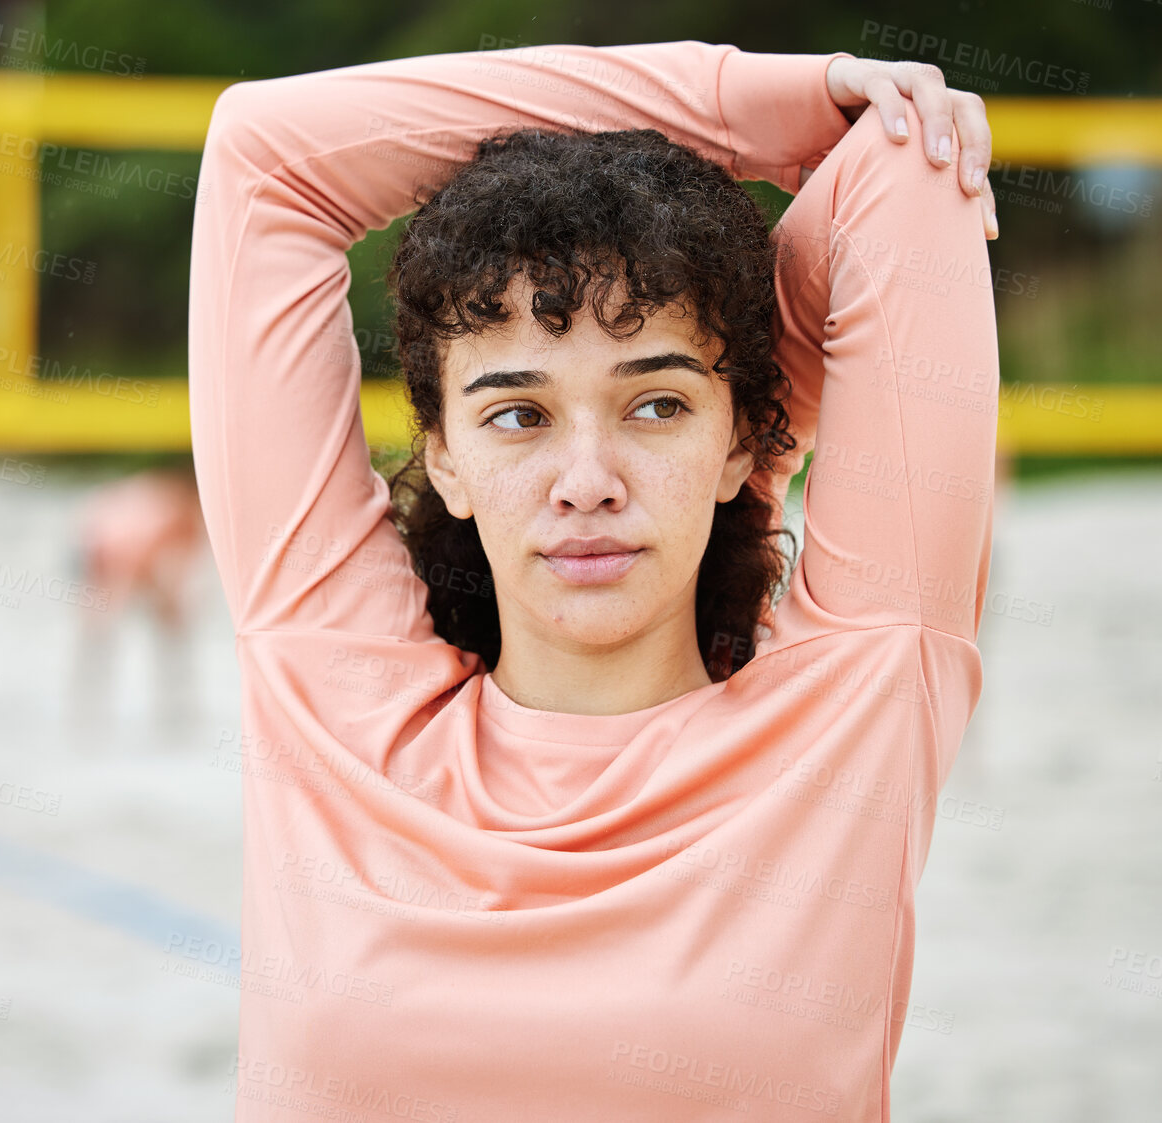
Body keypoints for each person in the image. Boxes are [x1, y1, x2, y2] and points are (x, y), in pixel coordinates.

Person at [189, 37, 999, 1121]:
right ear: (443, 457)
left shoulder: (854, 709)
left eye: (656, 406)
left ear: (736, 439)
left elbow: (906, 171)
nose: (585, 482)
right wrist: (747, 104)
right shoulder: (333, 694)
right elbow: (266, 152)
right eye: (517, 416)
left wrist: (745, 406)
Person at [69, 463, 206, 738]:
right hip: (106, 545)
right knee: (104, 630)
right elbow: (134, 557)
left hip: (99, 535)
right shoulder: (174, 512)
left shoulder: (171, 507)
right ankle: (92, 713)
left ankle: (170, 712)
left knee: (156, 627)